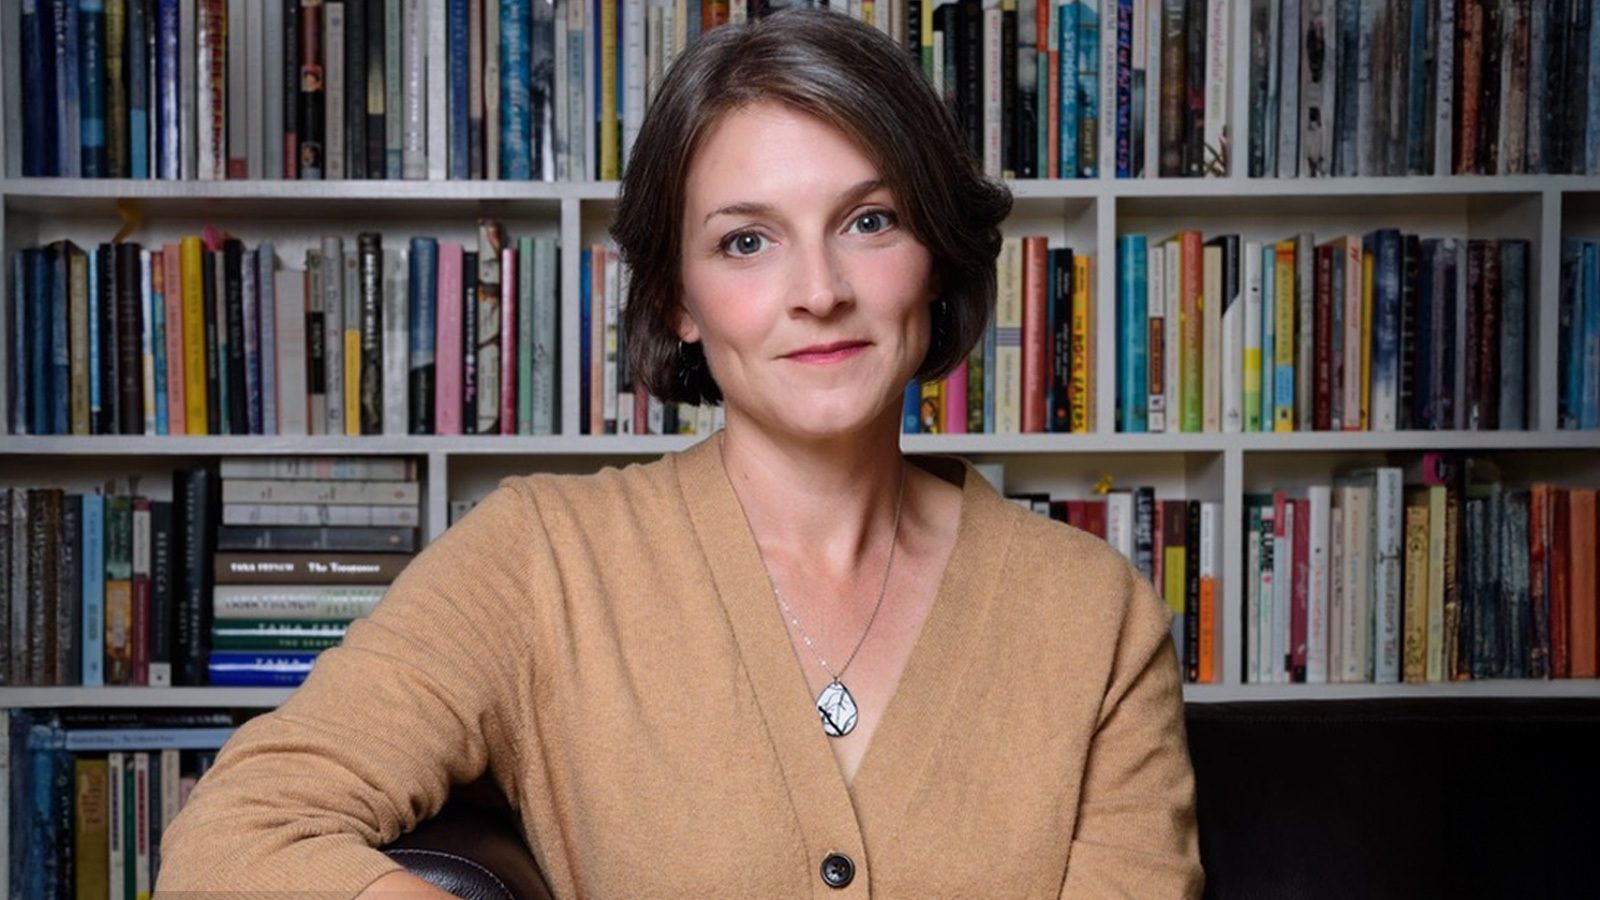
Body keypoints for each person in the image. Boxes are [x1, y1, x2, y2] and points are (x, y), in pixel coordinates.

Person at [155, 9, 1202, 897]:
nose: (818, 291)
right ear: (678, 298)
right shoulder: (540, 560)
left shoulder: (1091, 615)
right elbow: (234, 838)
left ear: (935, 255)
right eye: (746, 240)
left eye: (869, 220)